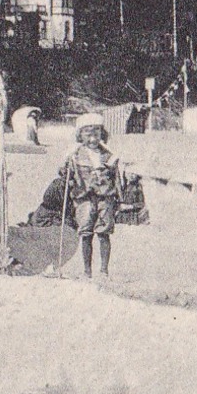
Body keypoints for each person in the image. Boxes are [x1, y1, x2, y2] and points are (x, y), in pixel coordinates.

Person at [60, 112, 120, 277]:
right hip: (84, 198)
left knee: (104, 232)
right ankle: (87, 271)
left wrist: (118, 199)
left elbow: (116, 178)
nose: (93, 138)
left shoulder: (109, 155)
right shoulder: (75, 155)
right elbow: (64, 175)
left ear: (102, 134)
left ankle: (104, 271)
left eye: (96, 133)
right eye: (88, 133)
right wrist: (66, 168)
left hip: (105, 197)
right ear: (80, 135)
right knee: (86, 232)